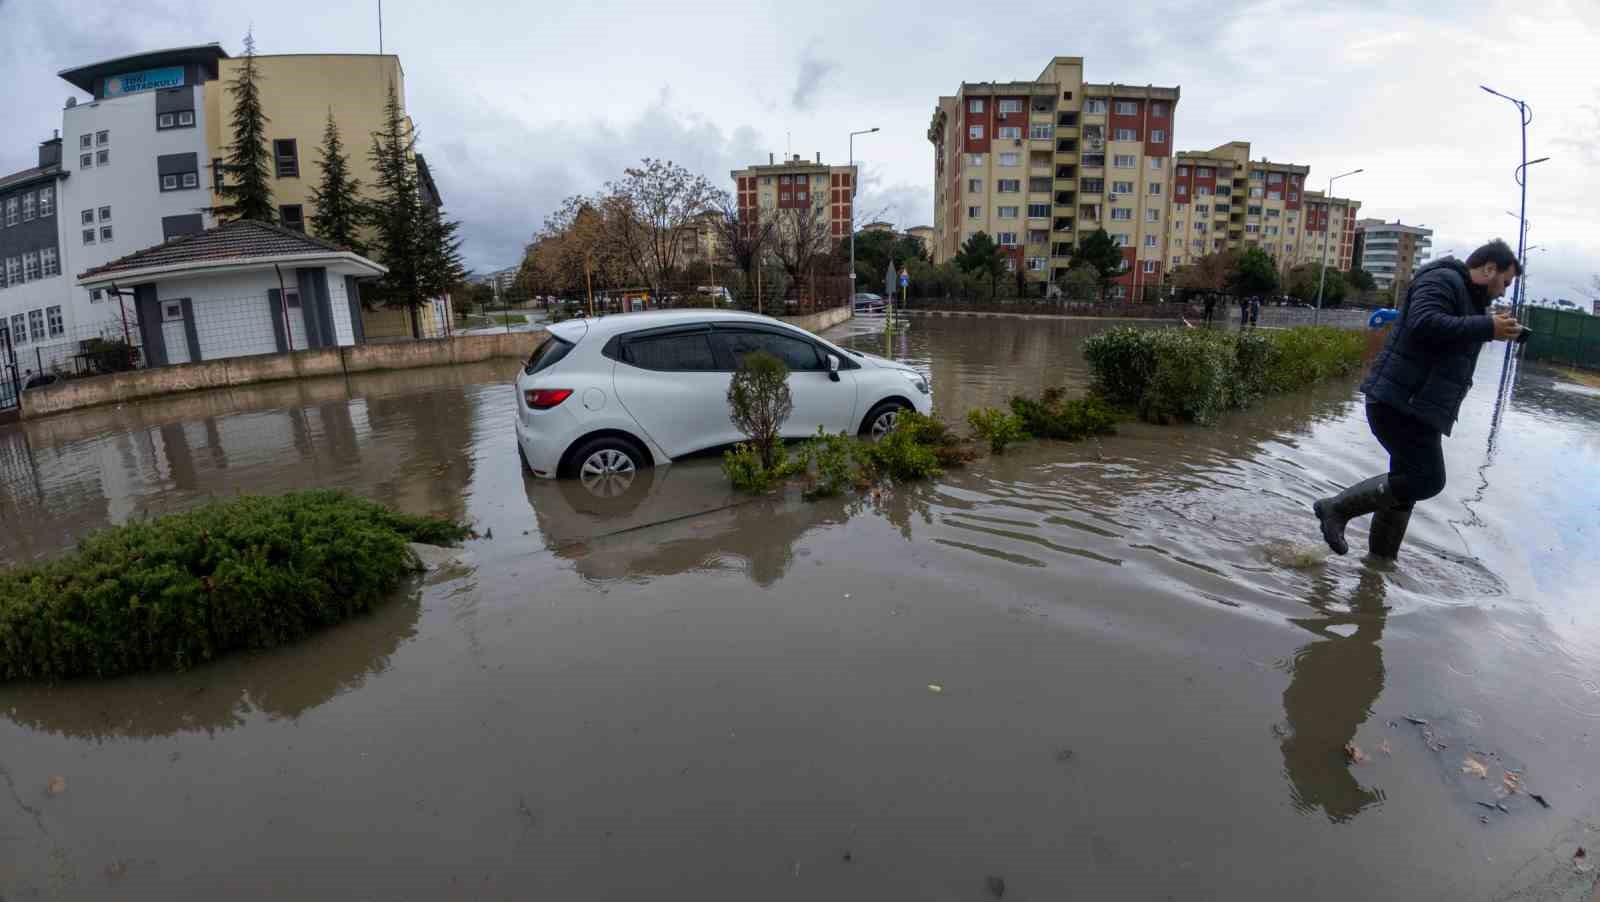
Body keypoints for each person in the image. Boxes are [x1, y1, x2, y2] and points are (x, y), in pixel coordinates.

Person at [1313, 240, 1523, 559]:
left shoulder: (1470, 300)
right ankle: (1336, 509)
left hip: (1418, 407)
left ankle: (1379, 566)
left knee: (1404, 488)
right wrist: (1486, 326)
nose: (1503, 291)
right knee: (1427, 479)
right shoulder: (1441, 279)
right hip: (1400, 401)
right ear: (1489, 269)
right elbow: (1424, 322)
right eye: (1504, 282)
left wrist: (1490, 326)